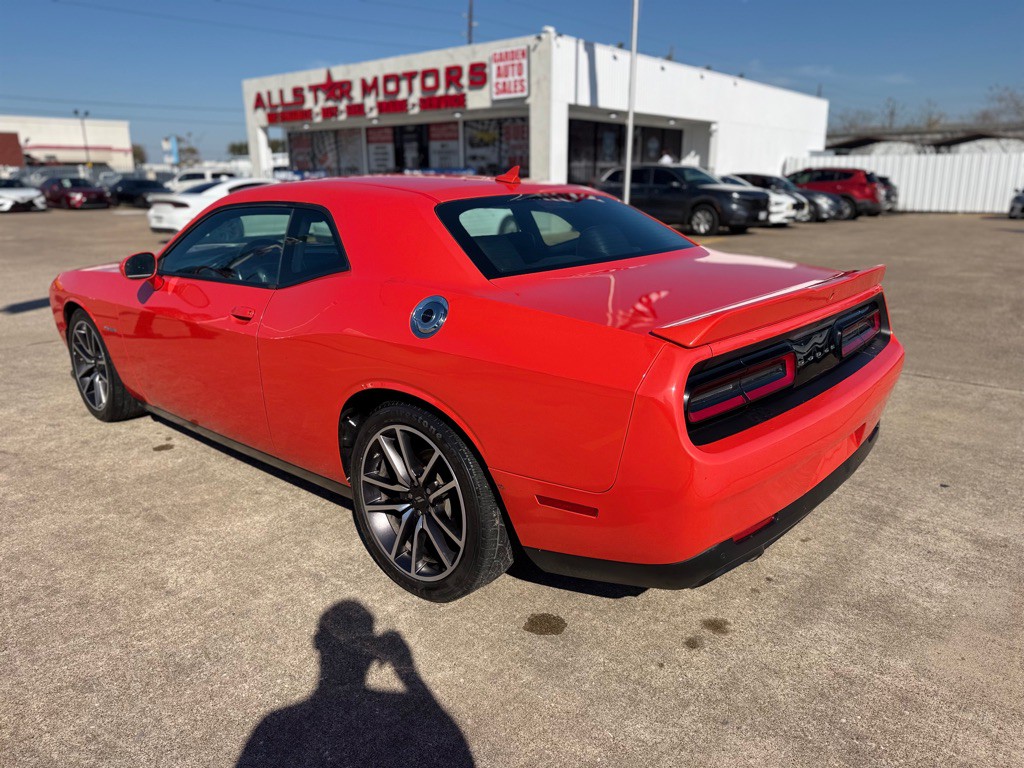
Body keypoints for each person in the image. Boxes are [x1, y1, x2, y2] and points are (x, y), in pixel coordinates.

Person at [236, 601, 474, 767]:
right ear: (372, 655)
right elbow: (451, 744)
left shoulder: (277, 727)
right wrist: (409, 673)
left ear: (317, 642)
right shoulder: (403, 711)